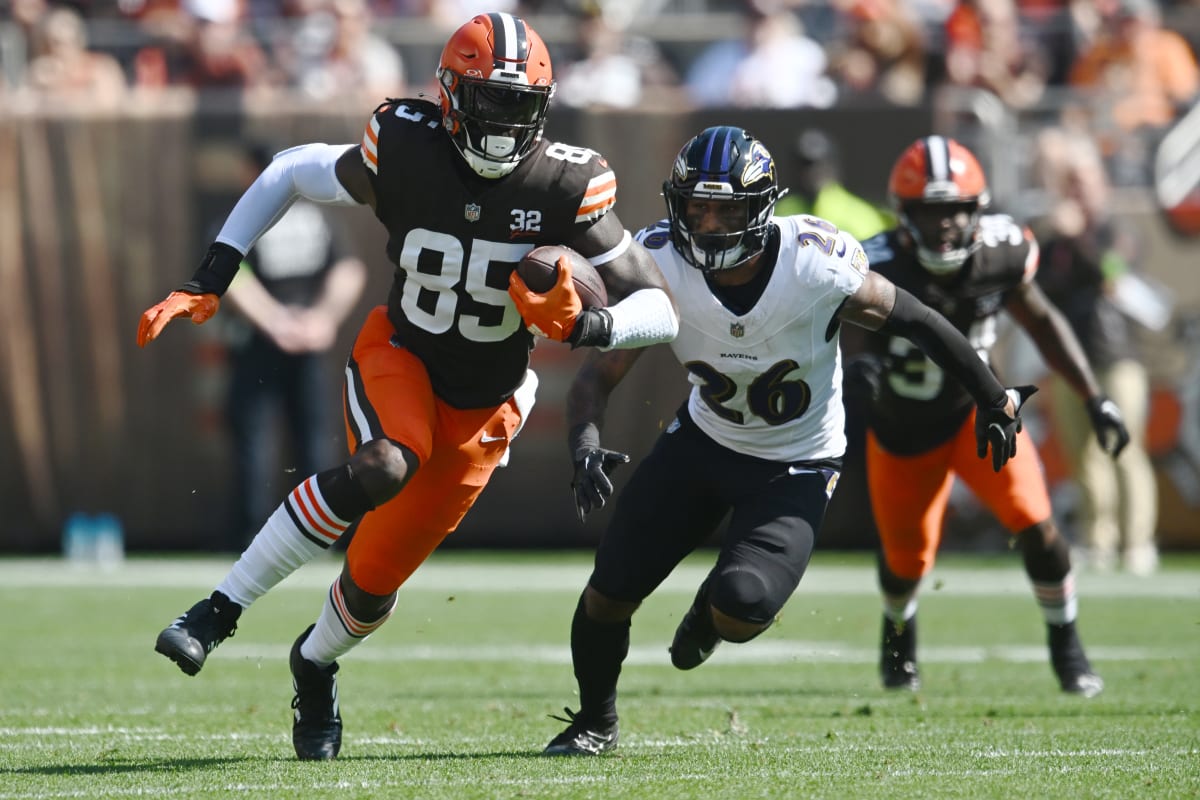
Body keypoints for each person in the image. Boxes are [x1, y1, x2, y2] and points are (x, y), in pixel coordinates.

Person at [136, 12, 680, 761]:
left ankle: (313, 664)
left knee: (371, 583)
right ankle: (216, 610)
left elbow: (658, 307)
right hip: (402, 353)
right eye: (487, 101)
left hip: (484, 403)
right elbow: (289, 169)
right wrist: (212, 275)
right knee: (387, 462)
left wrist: (592, 330)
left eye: (517, 107)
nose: (500, 125)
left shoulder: (566, 180)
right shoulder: (406, 143)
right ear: (451, 95)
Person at [542, 125, 1031, 757]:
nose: (710, 224)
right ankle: (594, 723)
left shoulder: (811, 260)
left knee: (741, 606)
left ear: (763, 207)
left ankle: (707, 618)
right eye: (698, 207)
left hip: (797, 460)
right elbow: (596, 377)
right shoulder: (657, 260)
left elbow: (918, 319)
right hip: (704, 441)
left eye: (727, 209)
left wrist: (993, 395)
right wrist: (584, 444)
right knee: (609, 591)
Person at [843, 135, 1129, 698]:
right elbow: (838, 336)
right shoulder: (875, 263)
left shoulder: (1002, 251)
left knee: (1038, 526)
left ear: (977, 211)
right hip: (904, 430)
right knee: (906, 561)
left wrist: (1094, 395)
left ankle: (1066, 643)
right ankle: (898, 636)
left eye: (955, 210)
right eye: (930, 211)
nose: (945, 224)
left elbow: (1042, 320)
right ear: (904, 216)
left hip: (982, 419)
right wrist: (858, 368)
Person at [220, 143, 368, 549]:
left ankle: (253, 537)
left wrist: (275, 321)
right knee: (314, 439)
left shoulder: (244, 220)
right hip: (307, 340)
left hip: (261, 344)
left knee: (257, 440)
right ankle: (319, 535)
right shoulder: (317, 215)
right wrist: (322, 319)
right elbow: (347, 269)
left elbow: (230, 275)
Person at [1032, 130, 1159, 574]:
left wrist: (1077, 240)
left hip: (1116, 357)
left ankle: (1137, 543)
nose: (1078, 191)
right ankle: (1098, 539)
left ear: (1100, 183)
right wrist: (1058, 239)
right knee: (1082, 457)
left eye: (1084, 180)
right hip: (1071, 361)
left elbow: (1111, 275)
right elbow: (1039, 294)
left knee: (1125, 448)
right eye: (1070, 182)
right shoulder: (1055, 241)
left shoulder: (1117, 230)